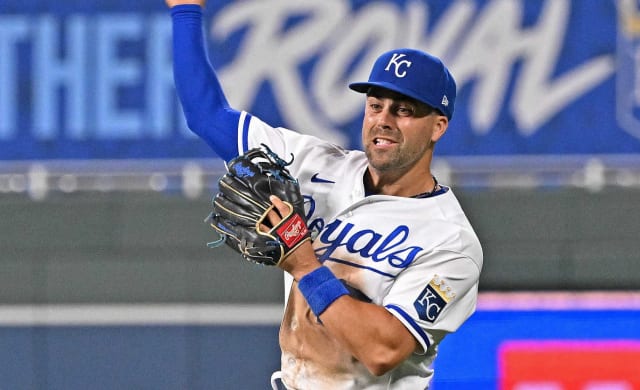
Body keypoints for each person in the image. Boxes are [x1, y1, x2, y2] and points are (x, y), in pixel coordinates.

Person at [166, 1, 483, 389]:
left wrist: (304, 265)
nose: (383, 120)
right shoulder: (311, 164)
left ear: (438, 126)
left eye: (403, 110)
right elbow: (206, 115)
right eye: (375, 105)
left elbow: (383, 350)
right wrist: (185, 11)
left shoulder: (450, 240)